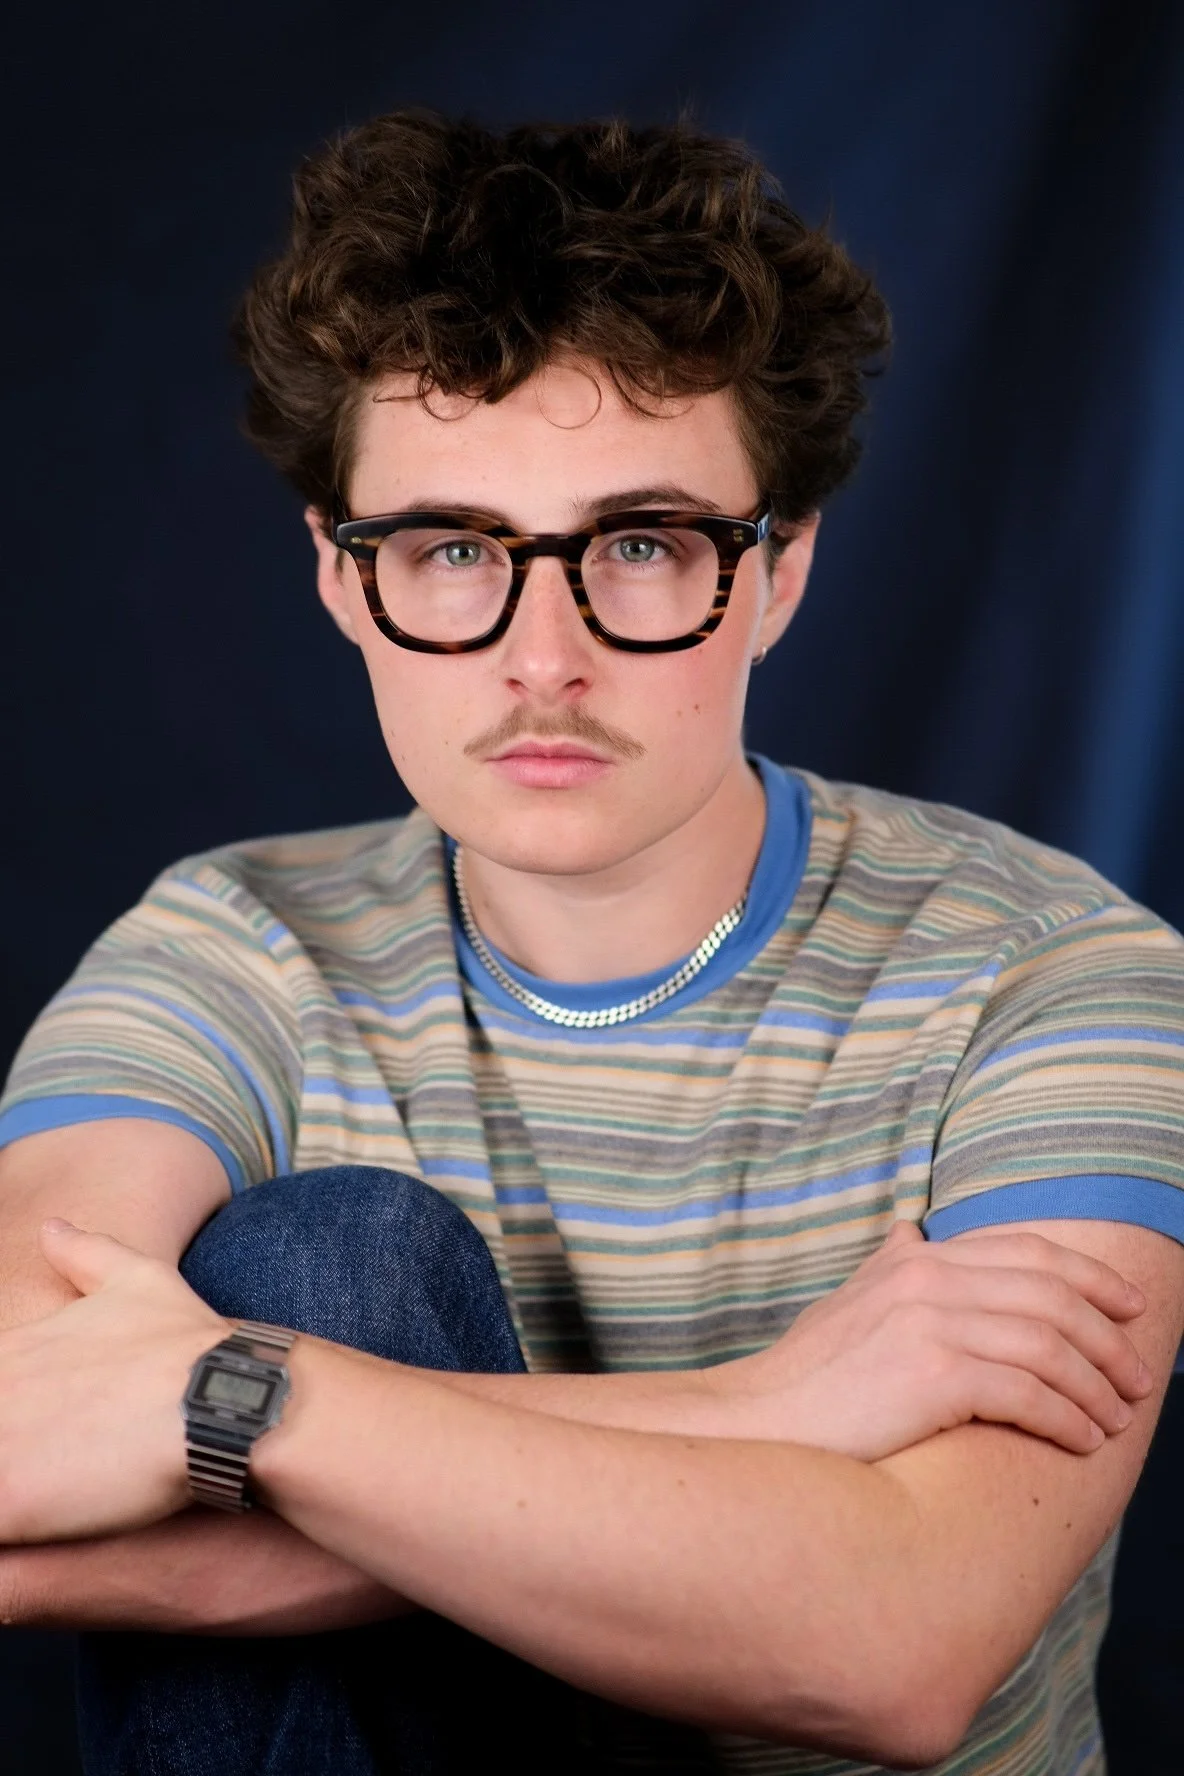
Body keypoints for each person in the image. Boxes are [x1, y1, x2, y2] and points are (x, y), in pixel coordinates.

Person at [0, 112, 1182, 1776]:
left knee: (288, 1312)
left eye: (640, 545)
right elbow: (14, 1450)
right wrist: (768, 1414)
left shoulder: (1056, 975)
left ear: (777, 572)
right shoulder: (236, 945)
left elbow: (898, 1645)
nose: (541, 658)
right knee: (328, 1263)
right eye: (454, 551)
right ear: (343, 581)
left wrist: (231, 1407)